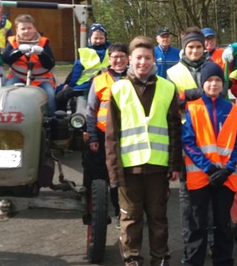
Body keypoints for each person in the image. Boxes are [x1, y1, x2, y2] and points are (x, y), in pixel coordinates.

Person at [105, 36, 182, 266]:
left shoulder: (168, 88)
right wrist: (113, 172)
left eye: (147, 58)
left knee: (158, 219)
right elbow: (111, 136)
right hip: (128, 169)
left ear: (153, 59)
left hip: (158, 168)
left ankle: (160, 259)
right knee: (130, 219)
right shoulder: (118, 89)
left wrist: (174, 165)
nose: (143, 62)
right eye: (138, 58)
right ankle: (132, 260)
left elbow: (174, 130)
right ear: (130, 59)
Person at [181, 61, 237, 266]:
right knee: (197, 225)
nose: (214, 84)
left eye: (217, 80)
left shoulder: (232, 109)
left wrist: (228, 168)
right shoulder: (193, 108)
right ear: (202, 83)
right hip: (200, 177)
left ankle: (223, 261)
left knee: (223, 225)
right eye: (209, 81)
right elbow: (188, 142)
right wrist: (208, 168)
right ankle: (193, 262)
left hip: (225, 178)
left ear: (223, 84)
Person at [166, 28, 209, 261]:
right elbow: (168, 103)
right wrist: (185, 97)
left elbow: (222, 100)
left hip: (212, 139)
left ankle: (211, 240)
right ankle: (190, 247)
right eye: (190, 47)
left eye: (198, 47)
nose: (194, 51)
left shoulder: (214, 69)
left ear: (204, 48)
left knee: (211, 193)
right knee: (188, 197)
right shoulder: (173, 72)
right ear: (184, 48)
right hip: (186, 139)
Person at [85, 42, 129, 224]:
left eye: (122, 57)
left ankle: (127, 211)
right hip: (104, 135)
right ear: (109, 59)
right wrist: (93, 136)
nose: (118, 60)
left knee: (127, 175)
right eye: (115, 57)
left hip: (128, 134)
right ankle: (115, 210)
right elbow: (90, 111)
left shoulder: (134, 78)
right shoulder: (99, 80)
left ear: (128, 59)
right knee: (109, 174)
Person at [2, 14, 56, 114]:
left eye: (29, 28)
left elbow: (50, 64)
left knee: (50, 96)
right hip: (18, 78)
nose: (26, 31)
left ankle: (52, 121)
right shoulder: (12, 42)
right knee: (6, 92)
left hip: (42, 80)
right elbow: (6, 59)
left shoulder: (43, 42)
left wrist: (42, 53)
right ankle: (7, 116)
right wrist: (18, 51)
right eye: (23, 29)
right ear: (17, 30)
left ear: (34, 28)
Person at [56, 23, 111, 111]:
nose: (98, 41)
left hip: (90, 85)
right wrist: (69, 84)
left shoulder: (109, 52)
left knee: (61, 95)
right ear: (90, 39)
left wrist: (69, 85)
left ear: (105, 39)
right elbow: (76, 71)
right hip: (89, 84)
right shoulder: (109, 51)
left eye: (101, 38)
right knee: (61, 93)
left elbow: (76, 72)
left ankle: (60, 115)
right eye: (96, 38)